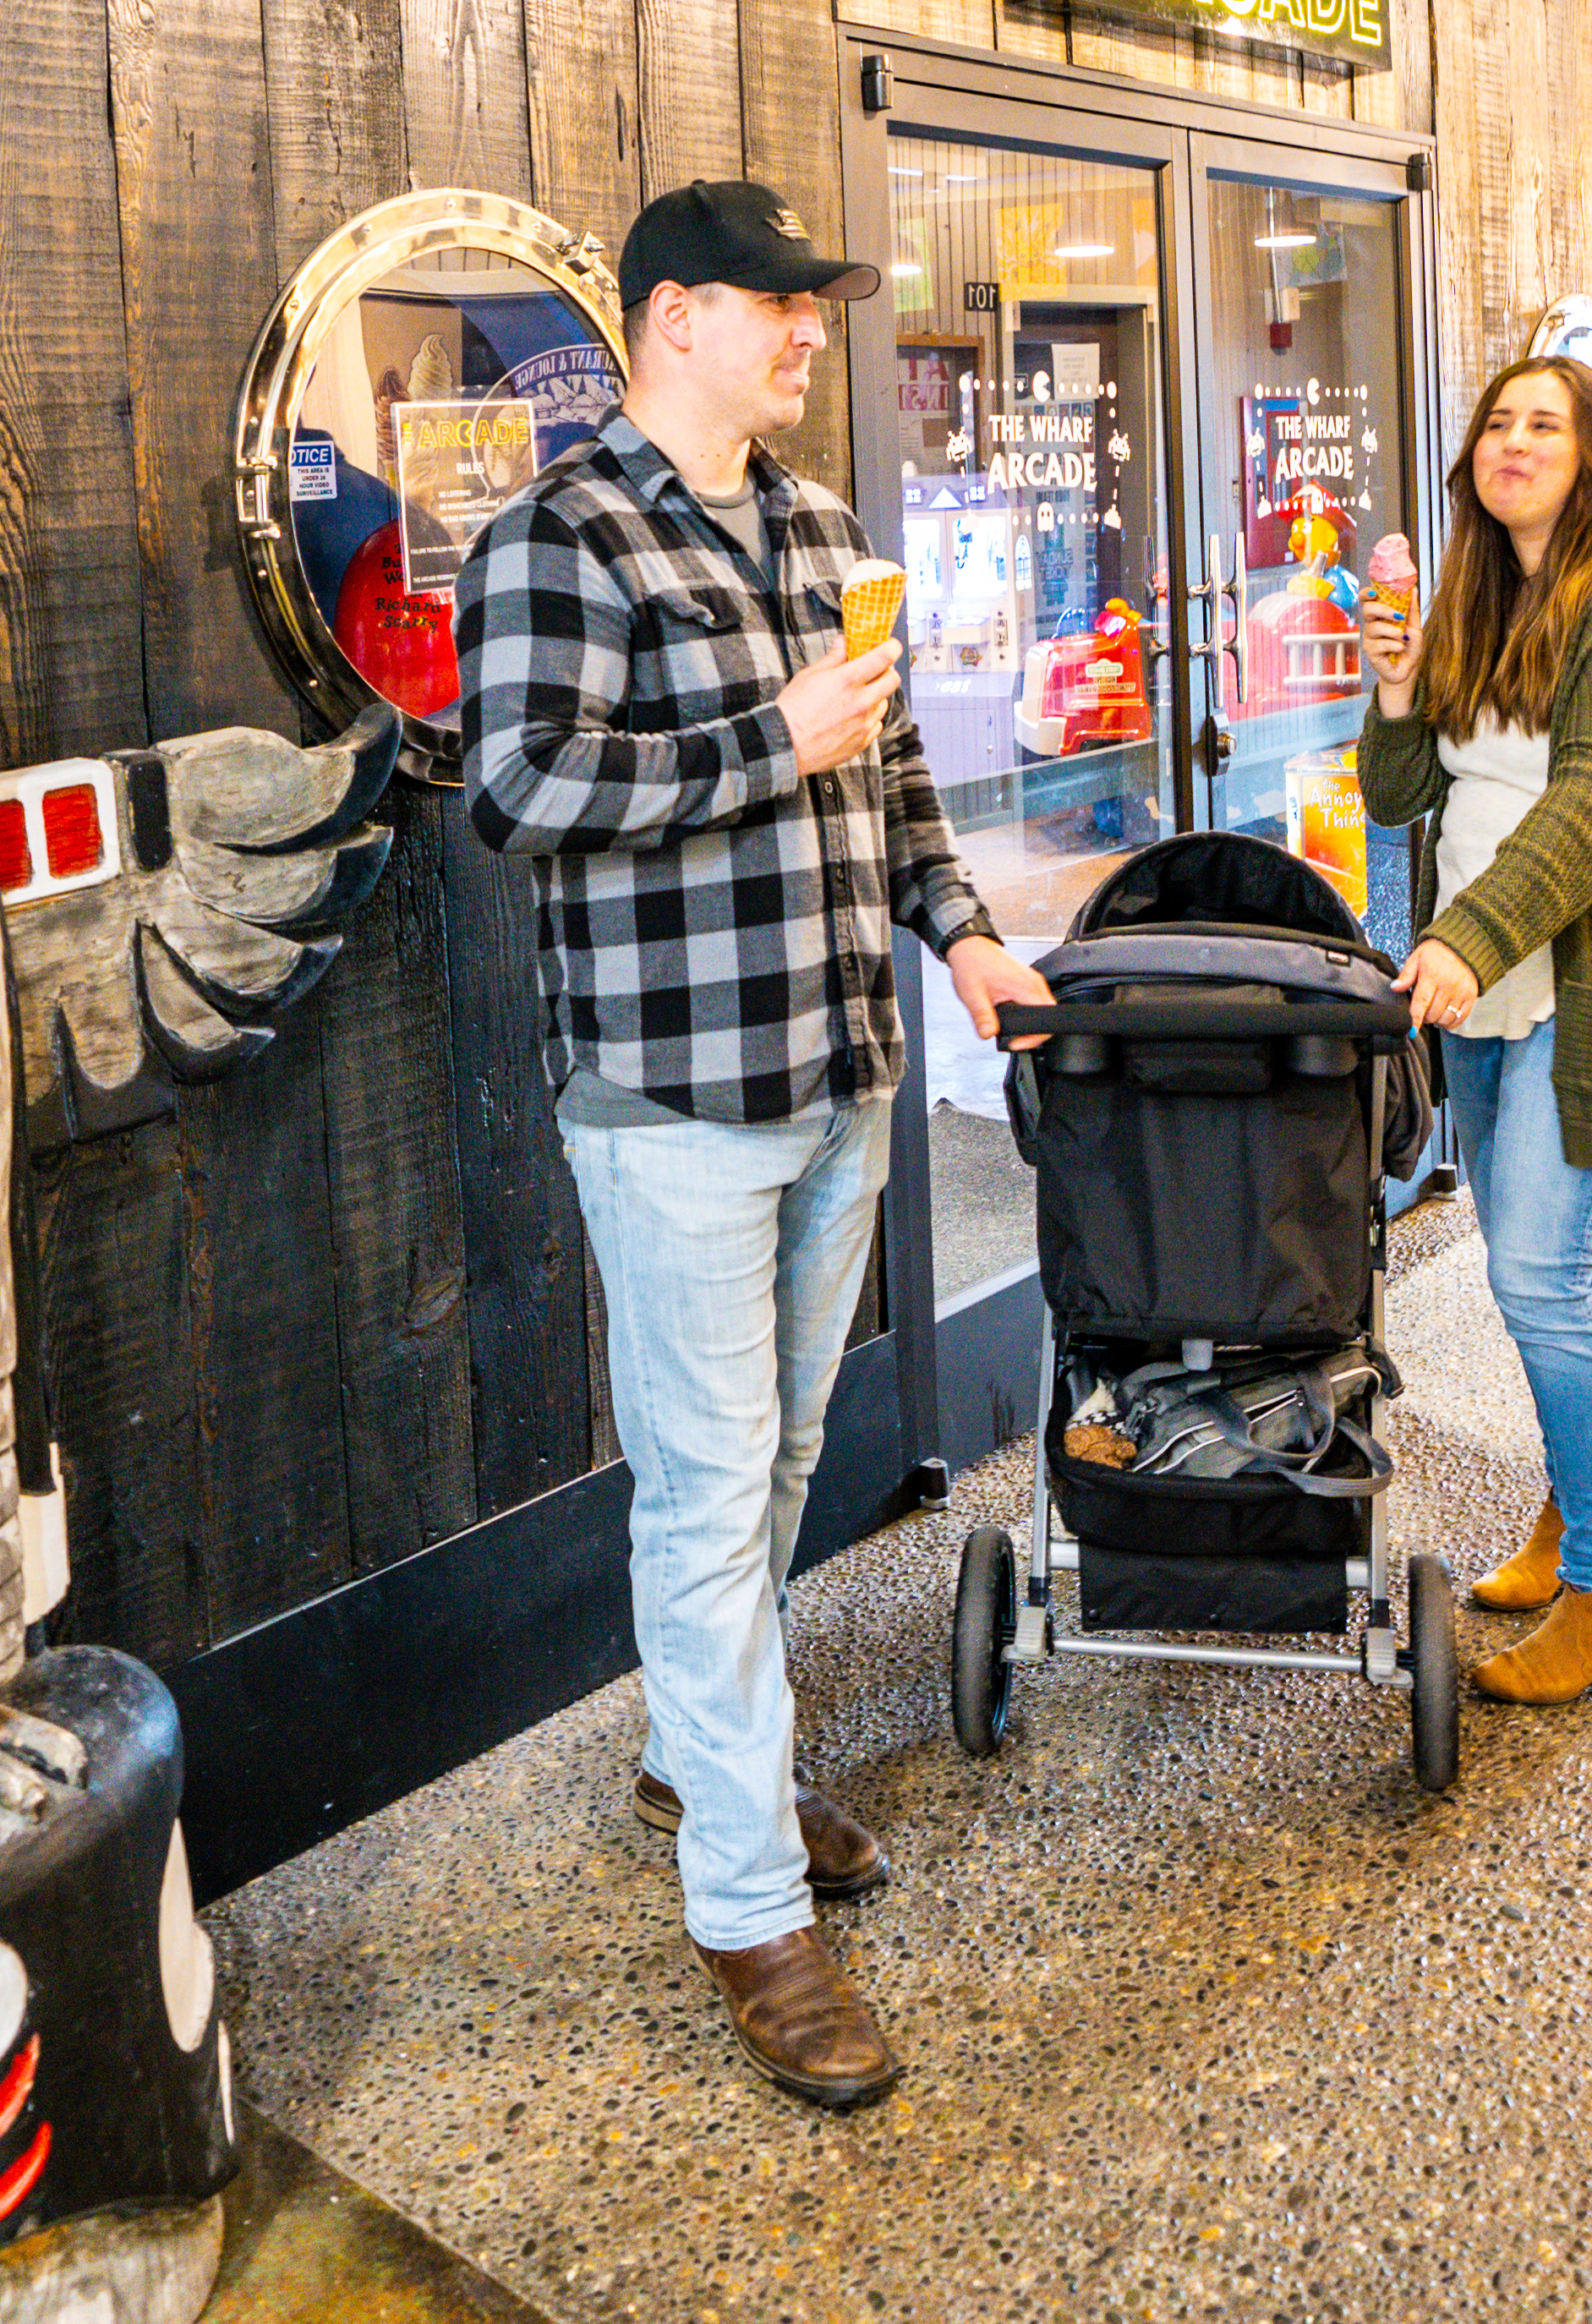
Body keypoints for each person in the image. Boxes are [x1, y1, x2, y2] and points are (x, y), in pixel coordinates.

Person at [456, 176, 1052, 2112]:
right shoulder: (559, 534)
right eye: (778, 307)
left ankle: (691, 1754)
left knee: (784, 1453)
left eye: (816, 307)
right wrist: (758, 745)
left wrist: (960, 935)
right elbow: (522, 786)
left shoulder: (816, 528)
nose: (811, 335)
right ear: (672, 321)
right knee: (709, 1494)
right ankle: (743, 1897)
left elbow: (881, 773)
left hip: (839, 1067)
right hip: (671, 1104)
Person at [1356, 353, 1592, 1706]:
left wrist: (1460, 939)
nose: (1511, 442)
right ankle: (1573, 1514)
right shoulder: (1479, 591)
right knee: (1528, 1266)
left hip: (1587, 986)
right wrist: (1393, 686)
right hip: (1489, 992)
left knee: (1539, 1280)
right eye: (1495, 423)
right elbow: (1400, 795)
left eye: (1543, 425)